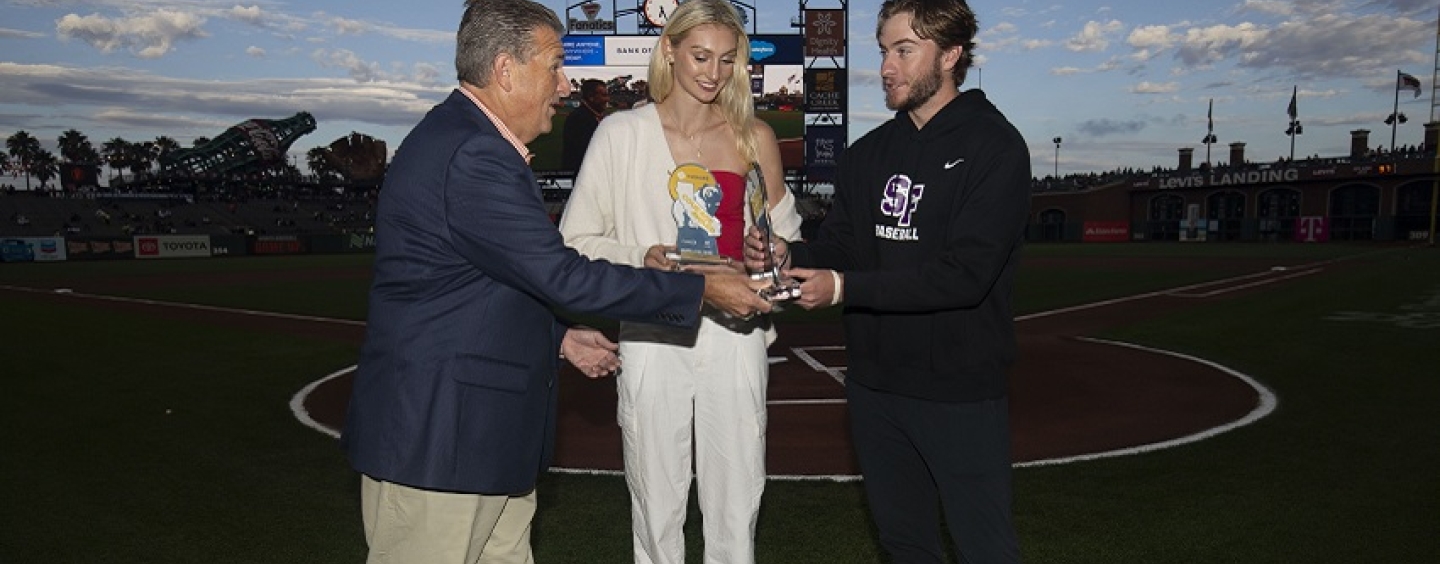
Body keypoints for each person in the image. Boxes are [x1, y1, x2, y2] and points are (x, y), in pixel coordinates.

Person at [340, 1, 773, 563]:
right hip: (441, 442)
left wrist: (558, 338)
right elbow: (562, 273)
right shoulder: (473, 153)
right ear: (505, 70)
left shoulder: (474, 143)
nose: (566, 85)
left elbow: (488, 284)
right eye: (554, 66)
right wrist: (703, 289)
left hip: (476, 442)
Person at [745, 0, 1029, 562]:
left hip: (958, 390)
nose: (887, 68)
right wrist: (789, 250)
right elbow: (846, 248)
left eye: (904, 50)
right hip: (874, 386)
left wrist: (845, 288)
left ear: (950, 55)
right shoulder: (869, 154)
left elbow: (964, 277)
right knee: (904, 544)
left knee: (985, 547)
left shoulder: (995, 147)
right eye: (883, 51)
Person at [558, 1, 801, 562]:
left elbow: (783, 240)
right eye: (699, 56)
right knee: (656, 509)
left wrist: (775, 251)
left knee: (736, 508)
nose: (712, 73)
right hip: (652, 335)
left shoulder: (755, 138)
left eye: (725, 59)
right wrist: (644, 256)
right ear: (668, 50)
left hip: (736, 336)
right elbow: (574, 245)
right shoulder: (621, 134)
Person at [562, 78, 610, 172]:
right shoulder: (579, 119)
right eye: (603, 95)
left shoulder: (592, 115)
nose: (607, 99)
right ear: (591, 97)